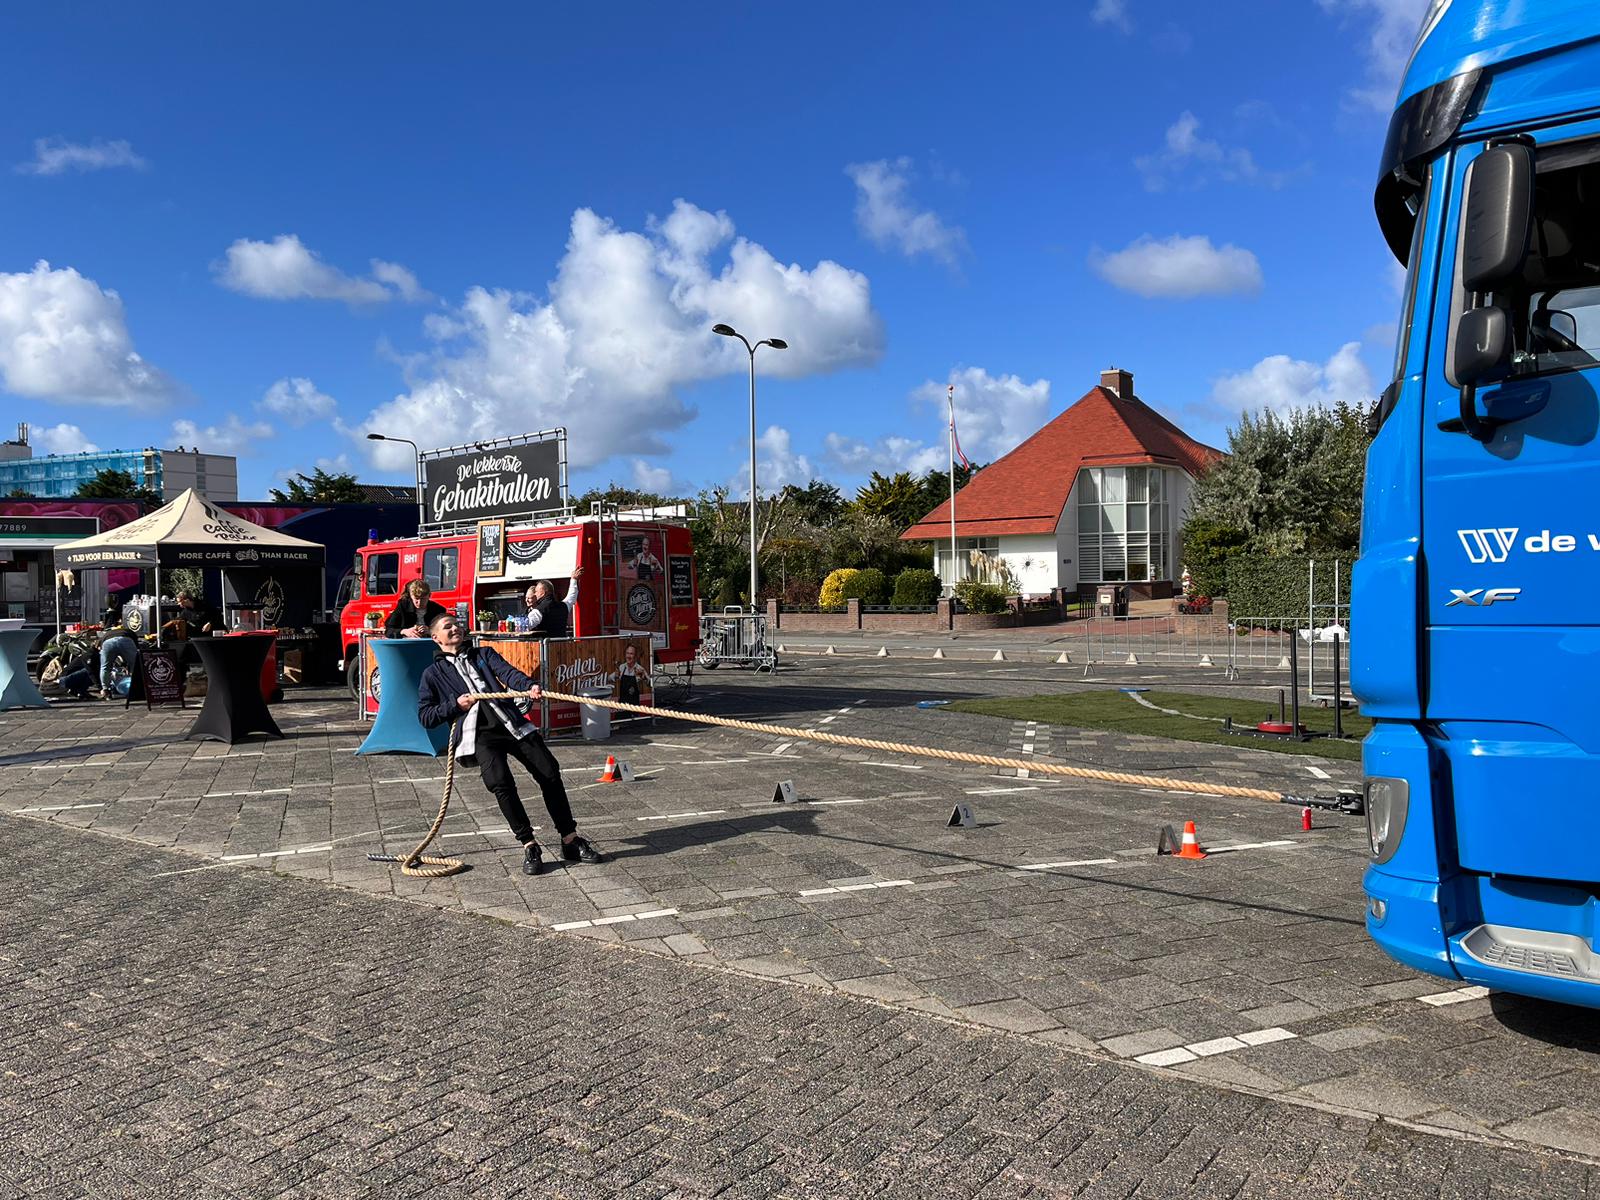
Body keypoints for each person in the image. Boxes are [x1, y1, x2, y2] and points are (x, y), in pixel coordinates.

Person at [417, 612, 607, 876]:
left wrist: (529, 685)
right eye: (447, 627)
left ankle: (570, 840)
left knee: (549, 773)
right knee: (500, 783)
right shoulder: (432, 674)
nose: (455, 629)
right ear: (435, 637)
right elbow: (425, 716)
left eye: (457, 624)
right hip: (480, 735)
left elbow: (509, 674)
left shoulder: (484, 654)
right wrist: (454, 705)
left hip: (511, 724)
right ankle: (529, 844)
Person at [512, 566, 582, 636]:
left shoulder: (538, 610)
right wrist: (574, 579)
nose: (535, 594)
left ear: (543, 593)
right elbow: (572, 596)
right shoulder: (564, 606)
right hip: (560, 645)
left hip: (543, 645)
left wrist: (510, 623)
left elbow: (526, 626)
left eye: (536, 591)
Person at [99, 629, 138, 699]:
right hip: (125, 640)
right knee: (135, 665)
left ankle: (106, 690)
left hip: (107, 642)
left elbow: (101, 647)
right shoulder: (129, 631)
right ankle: (135, 689)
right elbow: (136, 647)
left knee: (105, 667)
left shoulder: (107, 634)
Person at [611, 643, 653, 707]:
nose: (628, 656)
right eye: (627, 653)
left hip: (634, 706)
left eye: (631, 654)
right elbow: (609, 678)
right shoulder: (622, 667)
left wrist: (644, 678)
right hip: (622, 705)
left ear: (635, 656)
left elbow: (650, 684)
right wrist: (615, 677)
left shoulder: (640, 669)